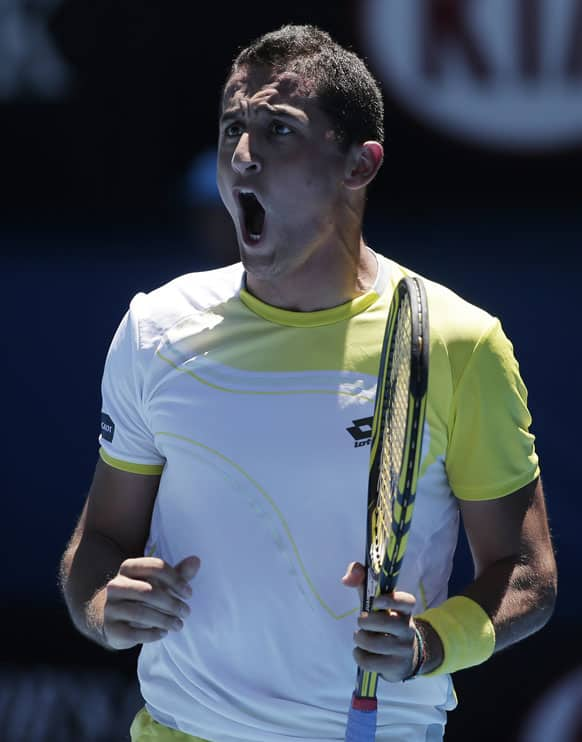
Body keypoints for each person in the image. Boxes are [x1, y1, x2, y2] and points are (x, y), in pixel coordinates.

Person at [59, 24, 557, 742]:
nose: (242, 156)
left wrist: (429, 643)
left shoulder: (456, 341)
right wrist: (108, 606)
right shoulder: (154, 328)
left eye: (278, 130)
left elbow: (526, 575)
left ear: (360, 164)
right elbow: (99, 543)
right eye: (233, 126)